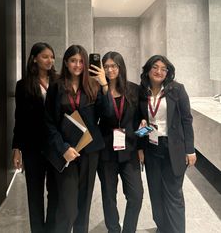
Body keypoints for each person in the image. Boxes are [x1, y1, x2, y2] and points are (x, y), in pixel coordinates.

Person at [44, 44, 105, 233]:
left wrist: (104, 84)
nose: (77, 65)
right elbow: (49, 122)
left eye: (81, 61)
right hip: (67, 152)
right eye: (73, 61)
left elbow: (108, 114)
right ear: (66, 62)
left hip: (89, 152)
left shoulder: (93, 86)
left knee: (84, 206)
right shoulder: (56, 86)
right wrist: (63, 148)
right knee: (68, 209)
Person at [138, 55, 197, 233]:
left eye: (164, 69)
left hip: (174, 149)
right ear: (148, 70)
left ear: (168, 72)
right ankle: (162, 228)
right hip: (151, 147)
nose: (159, 71)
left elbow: (187, 120)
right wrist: (140, 143)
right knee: (156, 193)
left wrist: (190, 149)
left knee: (173, 195)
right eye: (155, 67)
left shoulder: (177, 90)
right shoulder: (142, 92)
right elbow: (141, 124)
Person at [90, 51, 143, 233]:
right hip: (106, 152)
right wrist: (104, 87)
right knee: (109, 196)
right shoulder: (96, 91)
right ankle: (113, 229)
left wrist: (141, 143)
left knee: (136, 195)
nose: (110, 69)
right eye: (106, 66)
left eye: (114, 66)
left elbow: (142, 120)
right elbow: (106, 114)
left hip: (129, 150)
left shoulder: (134, 89)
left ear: (121, 67)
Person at [12, 42, 57, 233]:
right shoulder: (23, 85)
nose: (50, 60)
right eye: (45, 56)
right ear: (35, 58)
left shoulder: (59, 81)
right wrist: (17, 149)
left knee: (55, 193)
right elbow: (19, 118)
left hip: (55, 146)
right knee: (35, 194)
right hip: (33, 148)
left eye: (52, 56)